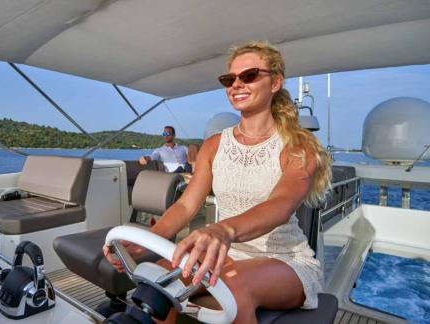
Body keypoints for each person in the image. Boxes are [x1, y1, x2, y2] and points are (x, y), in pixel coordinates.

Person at [105, 41, 332, 323]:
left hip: (284, 260)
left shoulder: (299, 146)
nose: (236, 84)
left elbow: (281, 204)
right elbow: (187, 205)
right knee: (157, 281)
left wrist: (224, 230)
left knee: (233, 290)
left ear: (275, 82)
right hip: (223, 253)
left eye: (248, 76)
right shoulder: (214, 145)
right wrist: (145, 244)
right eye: (229, 79)